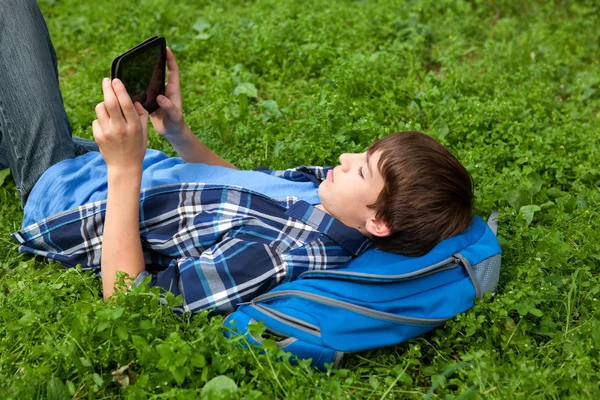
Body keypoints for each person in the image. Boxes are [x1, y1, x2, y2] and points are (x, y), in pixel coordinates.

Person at [1, 0, 473, 314]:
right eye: (364, 154)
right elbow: (243, 184)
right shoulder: (327, 195)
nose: (346, 157)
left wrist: (125, 167)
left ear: (380, 224)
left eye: (363, 169)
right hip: (134, 166)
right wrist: (179, 134)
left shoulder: (276, 255)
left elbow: (127, 298)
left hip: (69, 193)